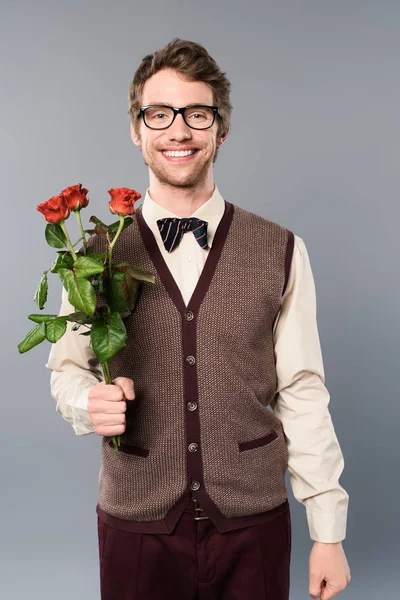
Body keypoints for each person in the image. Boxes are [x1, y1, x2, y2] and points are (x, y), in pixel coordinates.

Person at [45, 38, 351, 600]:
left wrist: (327, 531)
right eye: (159, 114)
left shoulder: (280, 248)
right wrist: (87, 404)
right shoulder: (93, 253)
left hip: (252, 519)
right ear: (137, 130)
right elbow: (66, 370)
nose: (178, 131)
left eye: (197, 114)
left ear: (221, 129)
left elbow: (303, 391)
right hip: (136, 520)